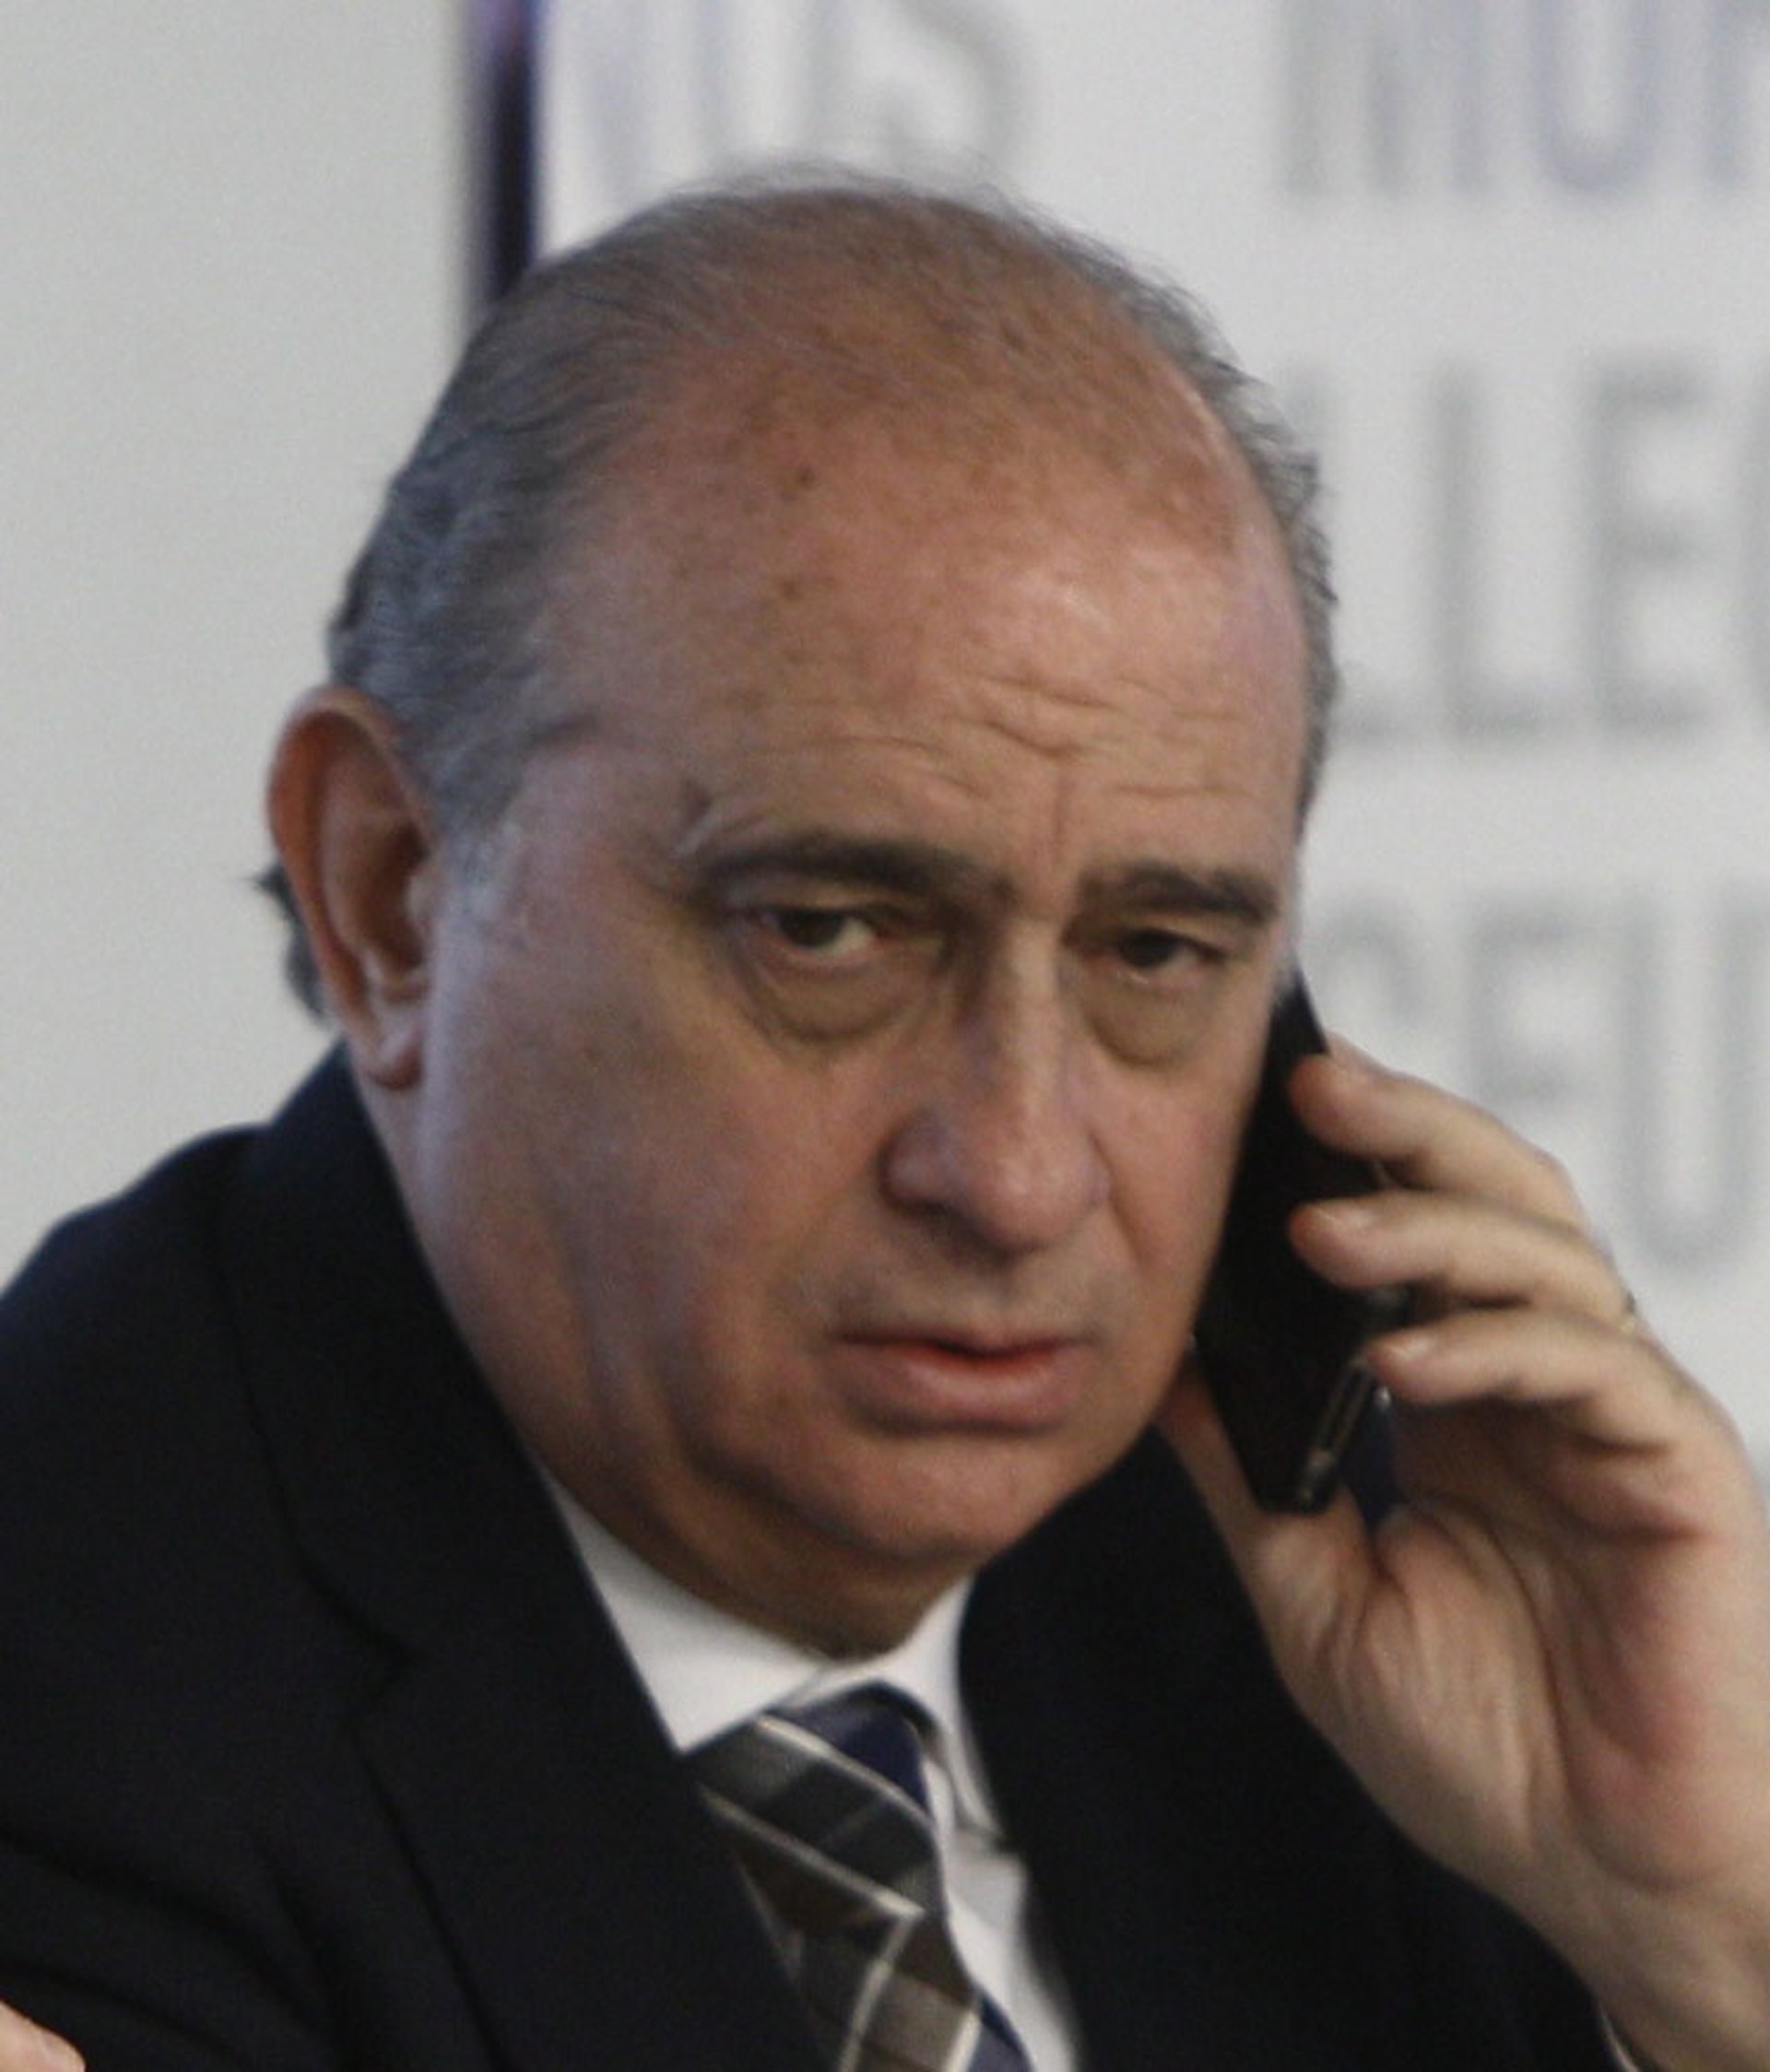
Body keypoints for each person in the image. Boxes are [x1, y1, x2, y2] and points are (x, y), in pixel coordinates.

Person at [1, 176, 1766, 2072]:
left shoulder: (1356, 1614)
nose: (1017, 1175)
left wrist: (1712, 1939)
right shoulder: (67, 1706)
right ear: (392, 891)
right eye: (830, 932)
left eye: (1155, 953)